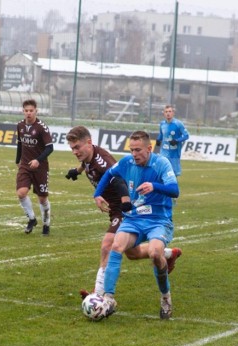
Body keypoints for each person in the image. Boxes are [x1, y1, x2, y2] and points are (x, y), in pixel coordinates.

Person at [66, 126, 182, 298]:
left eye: (77, 148)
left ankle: (98, 295)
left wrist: (125, 203)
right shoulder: (90, 154)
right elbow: (86, 163)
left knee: (108, 245)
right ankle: (167, 254)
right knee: (132, 253)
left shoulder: (104, 162)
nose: (75, 151)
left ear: (89, 143)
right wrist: (78, 172)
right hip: (116, 208)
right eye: (72, 148)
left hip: (124, 207)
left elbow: (118, 180)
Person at [93, 130, 179, 319]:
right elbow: (108, 173)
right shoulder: (127, 162)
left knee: (155, 253)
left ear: (149, 148)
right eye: (131, 150)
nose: (134, 154)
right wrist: (97, 194)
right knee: (117, 246)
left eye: (138, 150)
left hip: (158, 219)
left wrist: (155, 186)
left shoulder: (161, 163)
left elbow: (175, 190)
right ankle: (108, 299)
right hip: (133, 218)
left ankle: (165, 297)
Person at [15, 99, 53, 235]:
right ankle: (31, 219)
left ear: (36, 111)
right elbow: (20, 144)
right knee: (21, 193)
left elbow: (50, 148)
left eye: (31, 110)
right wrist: (17, 160)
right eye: (26, 111)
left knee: (42, 199)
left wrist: (38, 160)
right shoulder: (19, 125)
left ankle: (46, 224)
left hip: (40, 167)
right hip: (25, 165)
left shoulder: (42, 127)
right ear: (23, 111)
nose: (28, 113)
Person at [156, 105, 189, 176]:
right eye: (166, 112)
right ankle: (163, 186)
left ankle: (173, 186)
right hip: (164, 152)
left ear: (173, 113)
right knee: (162, 172)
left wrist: (177, 140)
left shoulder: (178, 124)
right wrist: (158, 140)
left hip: (174, 153)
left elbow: (186, 136)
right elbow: (161, 134)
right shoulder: (162, 124)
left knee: (174, 174)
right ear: (164, 113)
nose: (168, 113)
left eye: (170, 111)